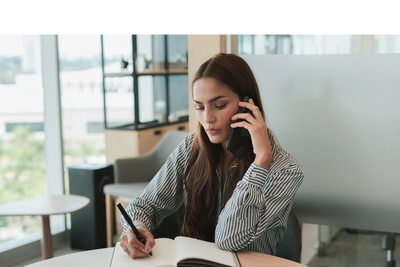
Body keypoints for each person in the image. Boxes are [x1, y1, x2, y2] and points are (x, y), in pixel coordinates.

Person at [119, 53, 304, 259]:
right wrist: (136, 228)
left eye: (220, 105)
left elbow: (229, 239)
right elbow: (144, 205)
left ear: (248, 104)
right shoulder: (191, 148)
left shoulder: (286, 170)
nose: (207, 118)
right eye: (199, 107)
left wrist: (260, 163)